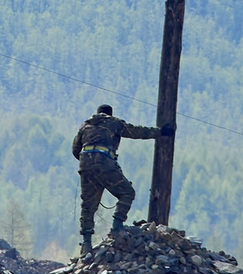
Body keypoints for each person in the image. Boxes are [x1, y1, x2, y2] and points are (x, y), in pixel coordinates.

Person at [71, 103, 173, 253]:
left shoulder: (85, 125)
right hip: (105, 163)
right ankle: (117, 227)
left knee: (88, 206)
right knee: (127, 193)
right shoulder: (114, 123)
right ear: (110, 114)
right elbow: (136, 131)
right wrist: (161, 132)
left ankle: (86, 244)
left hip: (85, 165)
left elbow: (75, 149)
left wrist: (89, 163)